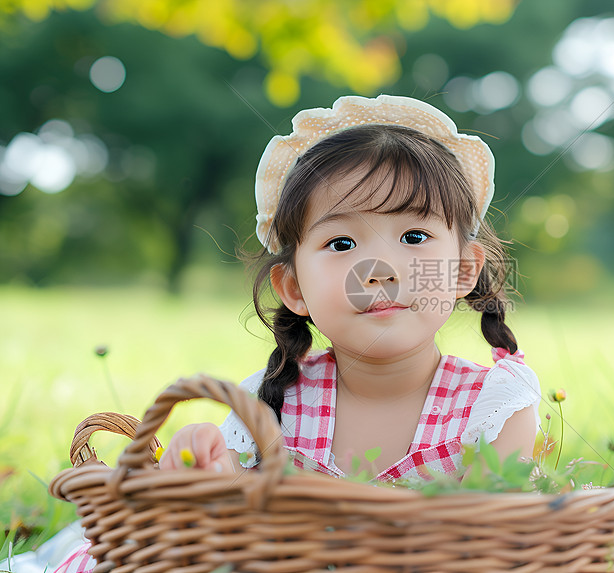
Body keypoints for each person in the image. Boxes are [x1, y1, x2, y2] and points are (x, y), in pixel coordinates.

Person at [158, 94, 542, 483]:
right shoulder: (270, 401)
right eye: (342, 244)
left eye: (413, 235)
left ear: (463, 270)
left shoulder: (493, 407)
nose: (380, 271)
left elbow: (490, 532)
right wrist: (209, 467)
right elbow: (224, 523)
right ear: (294, 289)